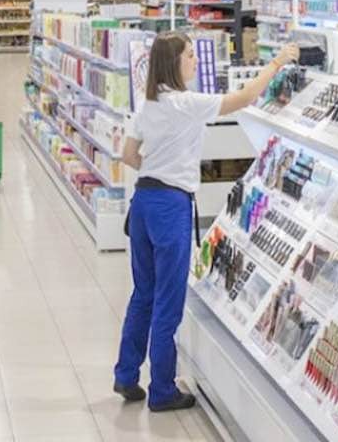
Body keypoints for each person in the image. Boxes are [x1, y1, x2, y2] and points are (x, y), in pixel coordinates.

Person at [113, 34, 299, 412]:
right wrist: (277, 62)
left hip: (144, 203)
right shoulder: (187, 104)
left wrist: (157, 166)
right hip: (170, 206)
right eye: (190, 54)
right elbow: (245, 98)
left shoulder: (148, 105)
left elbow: (128, 154)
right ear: (174, 62)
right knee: (168, 301)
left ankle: (126, 375)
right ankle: (162, 390)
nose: (196, 60)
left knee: (142, 294)